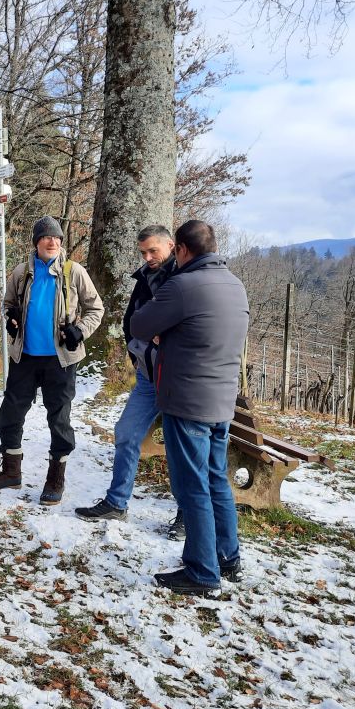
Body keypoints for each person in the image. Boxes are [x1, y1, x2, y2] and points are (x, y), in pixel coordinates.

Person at [130, 219, 249, 595]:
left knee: (192, 485)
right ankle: (228, 558)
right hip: (222, 401)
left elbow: (138, 325)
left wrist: (164, 331)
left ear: (180, 249)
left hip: (186, 400)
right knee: (216, 480)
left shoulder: (182, 285)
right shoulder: (235, 285)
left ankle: (201, 571)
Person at [0, 215, 104, 506]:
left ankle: (55, 478)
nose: (52, 241)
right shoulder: (22, 272)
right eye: (46, 237)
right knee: (10, 414)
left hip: (60, 360)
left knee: (59, 419)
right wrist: (11, 318)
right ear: (36, 241)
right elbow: (8, 304)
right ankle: (11, 471)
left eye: (57, 237)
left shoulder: (74, 271)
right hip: (24, 356)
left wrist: (80, 330)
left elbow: (95, 309)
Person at [75, 225, 184, 536]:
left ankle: (187, 514)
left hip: (177, 380)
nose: (147, 257)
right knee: (126, 433)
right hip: (148, 378)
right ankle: (117, 502)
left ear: (171, 245)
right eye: (143, 252)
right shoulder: (145, 278)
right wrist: (136, 354)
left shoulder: (184, 278)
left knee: (179, 447)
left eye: (153, 251)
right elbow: (131, 321)